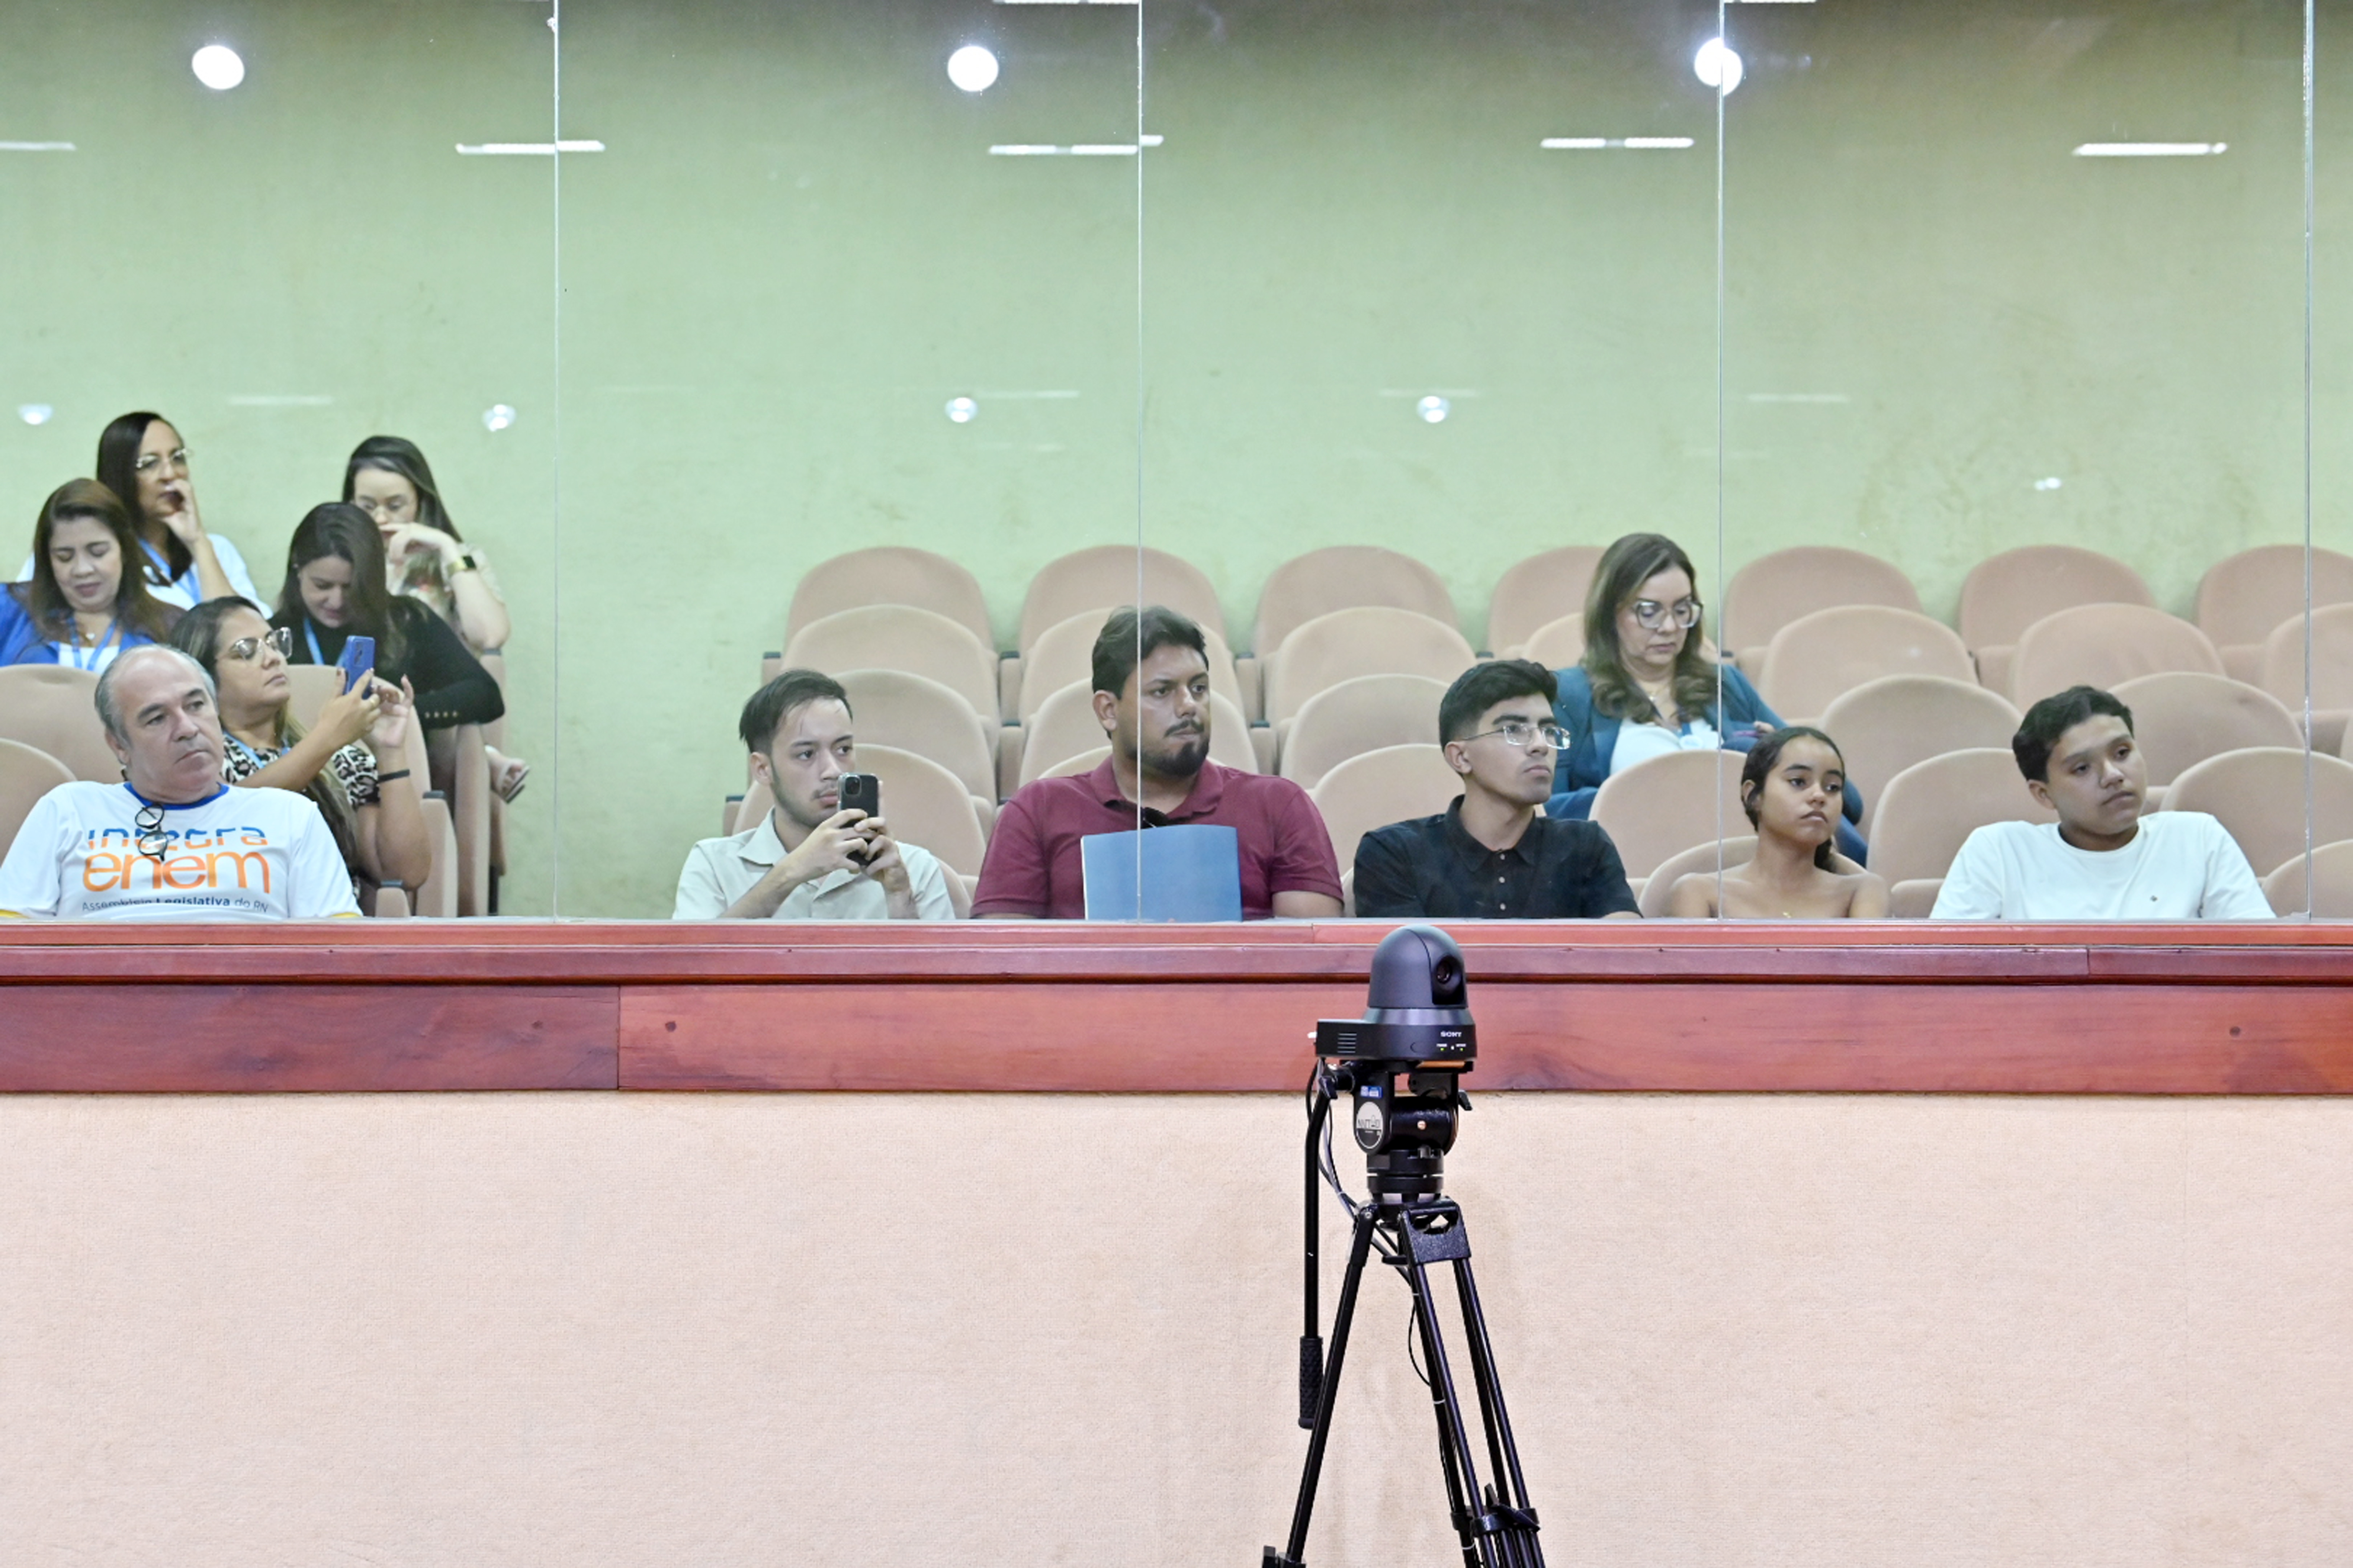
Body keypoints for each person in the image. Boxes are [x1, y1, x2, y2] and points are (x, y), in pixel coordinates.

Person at [974, 606, 1344, 920]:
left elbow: (1311, 957)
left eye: (1198, 688)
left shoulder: (1278, 805)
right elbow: (1002, 958)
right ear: (1108, 710)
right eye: (1162, 691)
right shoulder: (1039, 811)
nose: (1188, 706)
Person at [1548, 532, 1866, 861]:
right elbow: (1545, 812)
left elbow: (1849, 801)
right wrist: (1642, 796)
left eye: (1682, 609)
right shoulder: (1568, 694)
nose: (1669, 627)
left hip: (1739, 865)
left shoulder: (1725, 684)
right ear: (1610, 614)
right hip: (1635, 863)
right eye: (1649, 611)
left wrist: (1784, 757)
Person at [0, 646, 359, 920]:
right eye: (157, 718)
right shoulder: (68, 810)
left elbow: (338, 952)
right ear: (119, 745)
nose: (187, 729)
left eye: (196, 705)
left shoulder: (291, 815)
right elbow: (11, 944)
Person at [170, 597, 433, 904]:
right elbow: (219, 823)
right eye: (247, 651)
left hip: (332, 926)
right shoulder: (195, 759)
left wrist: (390, 752)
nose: (272, 658)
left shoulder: (340, 760)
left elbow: (405, 873)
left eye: (274, 643)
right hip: (237, 922)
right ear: (202, 678)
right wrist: (327, 738)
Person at [1932, 685, 2272, 920]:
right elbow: (1945, 970)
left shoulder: (2197, 839)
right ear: (2043, 794)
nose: (2113, 775)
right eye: (2082, 768)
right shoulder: (1999, 853)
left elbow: (2262, 959)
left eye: (2122, 753)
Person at [1354, 659, 1639, 919]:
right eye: (1513, 730)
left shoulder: (1586, 847)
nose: (1540, 745)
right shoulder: (1395, 854)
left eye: (1548, 731)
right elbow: (1410, 958)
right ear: (1460, 757)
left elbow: (1627, 950)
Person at [674, 669, 956, 919]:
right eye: (806, 754)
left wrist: (900, 896)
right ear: (763, 769)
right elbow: (691, 959)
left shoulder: (914, 869)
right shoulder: (713, 865)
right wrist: (791, 872)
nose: (833, 771)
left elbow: (938, 966)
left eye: (843, 749)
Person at [345, 436, 528, 801]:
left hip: (432, 709)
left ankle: (478, 761)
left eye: (395, 506)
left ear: (421, 501)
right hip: (360, 702)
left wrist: (446, 547)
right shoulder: (342, 564)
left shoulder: (453, 558)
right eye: (367, 506)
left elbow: (491, 636)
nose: (380, 519)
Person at [272, 503, 504, 741]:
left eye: (352, 588)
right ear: (297, 569)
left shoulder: (406, 620)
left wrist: (404, 711)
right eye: (322, 586)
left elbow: (486, 695)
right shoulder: (274, 634)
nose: (337, 601)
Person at [12, 412, 263, 606]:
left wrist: (198, 542)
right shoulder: (78, 552)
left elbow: (243, 637)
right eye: (150, 464)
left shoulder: (217, 549)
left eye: (177, 458)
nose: (170, 474)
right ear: (119, 475)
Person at [1666, 726, 1889, 918]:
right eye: (1798, 782)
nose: (1819, 796)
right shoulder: (1700, 892)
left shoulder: (1862, 891)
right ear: (1753, 796)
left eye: (1833, 787)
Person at [5, 480, 181, 672]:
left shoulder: (171, 626)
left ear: (124, 551)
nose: (82, 570)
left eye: (98, 553)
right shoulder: (10, 611)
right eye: (65, 557)